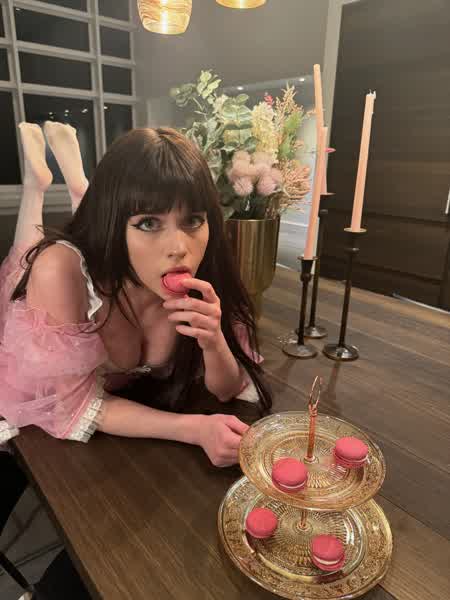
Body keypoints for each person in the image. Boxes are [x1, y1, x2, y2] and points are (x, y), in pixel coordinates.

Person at [0, 122, 272, 468]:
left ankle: (81, 189)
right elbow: (75, 406)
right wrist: (193, 429)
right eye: (148, 223)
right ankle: (36, 184)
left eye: (192, 220)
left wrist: (213, 340)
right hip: (51, 297)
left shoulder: (203, 272)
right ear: (115, 224)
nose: (179, 248)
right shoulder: (60, 271)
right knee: (23, 257)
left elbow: (226, 390)